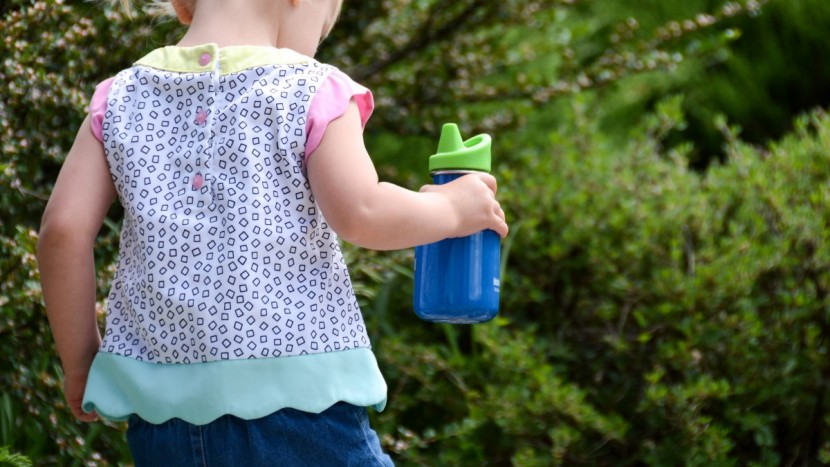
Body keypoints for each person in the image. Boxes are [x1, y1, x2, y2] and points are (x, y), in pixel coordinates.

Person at [36, 0, 509, 464]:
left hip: (160, 417)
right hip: (297, 406)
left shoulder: (120, 97)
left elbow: (61, 232)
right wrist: (449, 208)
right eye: (322, 29)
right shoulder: (311, 88)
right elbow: (362, 212)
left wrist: (81, 363)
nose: (316, 46)